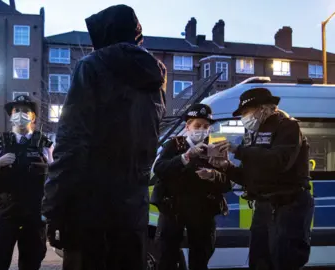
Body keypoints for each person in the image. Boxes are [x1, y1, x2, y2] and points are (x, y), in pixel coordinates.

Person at [42, 4, 167, 270]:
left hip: (91, 207)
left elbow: (72, 142)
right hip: (133, 207)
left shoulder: (91, 66)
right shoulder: (156, 77)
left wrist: (53, 208)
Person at [212, 88, 314, 270]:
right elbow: (248, 176)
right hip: (264, 206)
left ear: (262, 108)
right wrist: (226, 167)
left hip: (288, 205)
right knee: (259, 261)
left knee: (284, 260)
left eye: (245, 112)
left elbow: (279, 160)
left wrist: (238, 150)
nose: (243, 118)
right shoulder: (252, 134)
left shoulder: (288, 126)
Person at [151, 104, 231, 270]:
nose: (202, 130)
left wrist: (213, 174)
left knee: (200, 260)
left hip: (202, 213)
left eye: (206, 126)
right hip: (173, 211)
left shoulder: (214, 148)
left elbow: (227, 183)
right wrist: (185, 157)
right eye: (197, 125)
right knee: (166, 259)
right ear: (187, 127)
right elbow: (159, 169)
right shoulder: (175, 145)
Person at [0, 95, 54, 270]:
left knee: (32, 261)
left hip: (34, 214)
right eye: (16, 110)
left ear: (33, 117)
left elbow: (56, 181)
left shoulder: (45, 145)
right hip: (6, 212)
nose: (21, 114)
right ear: (11, 116)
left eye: (25, 110)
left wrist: (48, 169)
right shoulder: (1, 145)